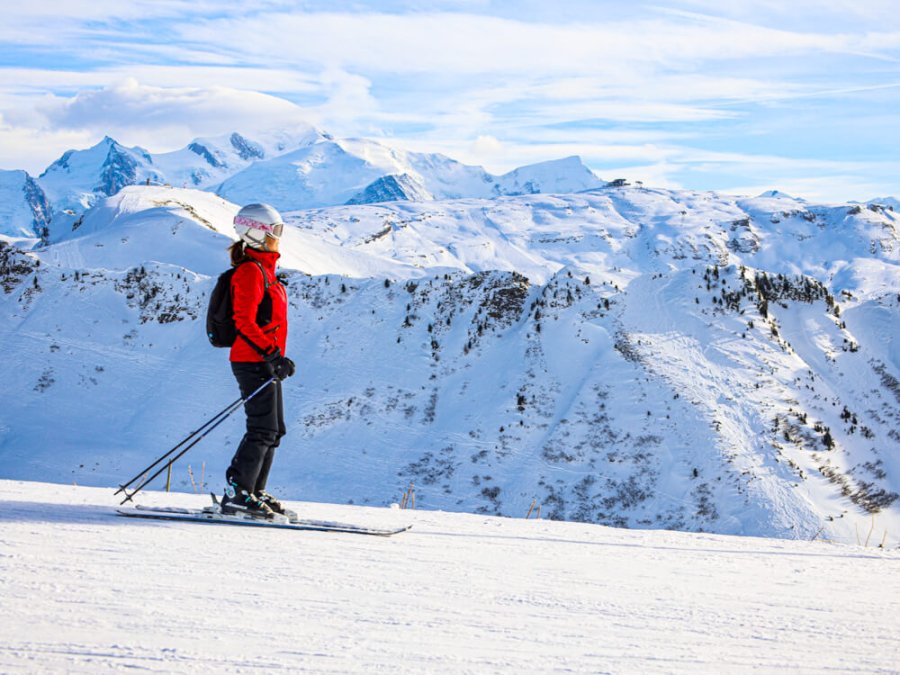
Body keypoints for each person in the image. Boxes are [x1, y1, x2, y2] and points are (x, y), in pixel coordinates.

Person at [220, 203, 295, 518]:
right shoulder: (251, 271)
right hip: (252, 361)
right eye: (275, 231)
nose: (279, 236)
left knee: (274, 429)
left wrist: (275, 357)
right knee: (262, 428)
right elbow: (244, 322)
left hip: (264, 361)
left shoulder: (265, 271)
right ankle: (239, 492)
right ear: (256, 233)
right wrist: (272, 354)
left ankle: (254, 491)